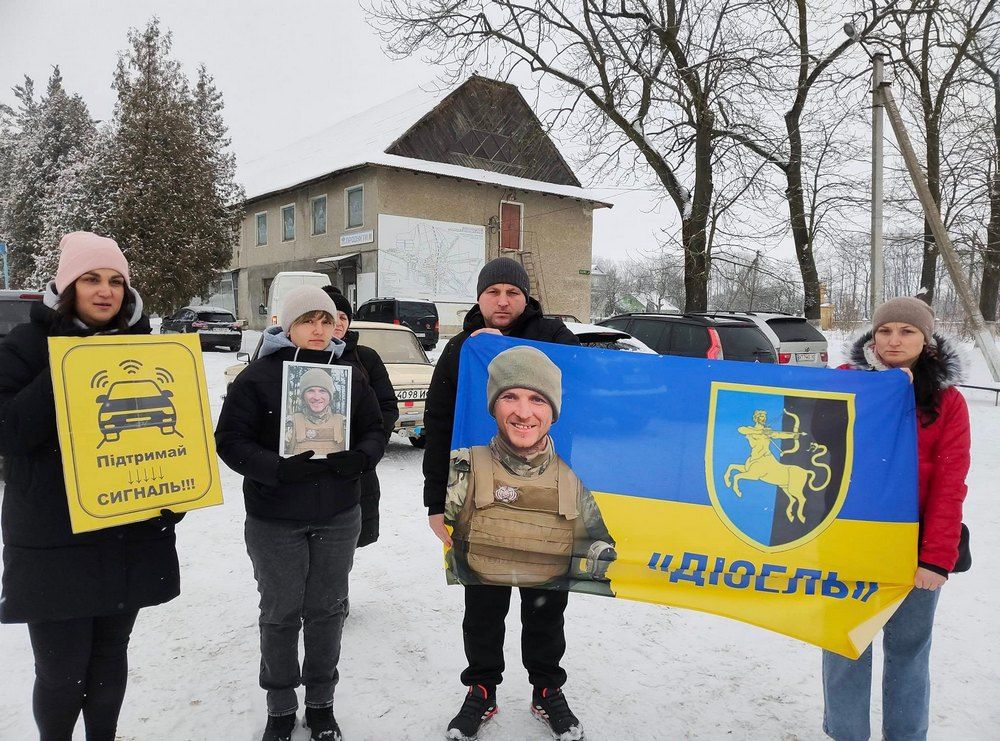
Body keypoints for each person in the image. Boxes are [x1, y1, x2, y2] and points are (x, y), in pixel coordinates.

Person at [0, 231, 182, 741]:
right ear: (66, 286)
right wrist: (70, 365)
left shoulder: (147, 350)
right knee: (60, 674)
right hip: (53, 542)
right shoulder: (27, 346)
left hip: (125, 533)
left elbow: (175, 436)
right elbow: (9, 431)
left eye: (117, 281)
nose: (106, 291)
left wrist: (174, 495)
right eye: (91, 279)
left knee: (108, 663)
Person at [422, 257, 585, 741]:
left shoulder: (555, 336)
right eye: (492, 292)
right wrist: (436, 502)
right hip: (481, 498)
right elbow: (438, 425)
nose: (502, 301)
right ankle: (481, 689)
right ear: (478, 298)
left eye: (511, 293)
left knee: (546, 601)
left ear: (525, 297)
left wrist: (510, 348)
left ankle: (546, 688)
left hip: (549, 496)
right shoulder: (460, 350)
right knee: (484, 602)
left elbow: (585, 390)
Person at [215, 286, 387, 741]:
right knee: (280, 612)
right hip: (275, 517)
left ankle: (321, 703)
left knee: (327, 610)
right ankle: (279, 705)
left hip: (337, 512)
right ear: (287, 325)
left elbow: (375, 428)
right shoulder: (258, 376)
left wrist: (361, 458)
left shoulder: (350, 372)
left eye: (326, 321)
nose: (318, 329)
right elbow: (229, 441)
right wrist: (273, 468)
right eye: (308, 320)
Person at [822, 296, 970, 741]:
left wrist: (937, 558)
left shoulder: (947, 402)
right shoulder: (843, 385)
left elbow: (950, 484)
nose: (894, 340)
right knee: (845, 647)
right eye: (885, 330)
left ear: (926, 341)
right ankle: (847, 734)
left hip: (914, 550)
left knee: (908, 653)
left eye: (907, 332)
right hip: (848, 543)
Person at [445, 345, 616, 594]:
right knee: (482, 627)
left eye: (538, 399)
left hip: (548, 599)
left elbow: (603, 546)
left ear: (553, 412)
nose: (523, 413)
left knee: (545, 632)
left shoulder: (575, 481)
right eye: (509, 397)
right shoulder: (462, 469)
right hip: (481, 589)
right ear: (493, 406)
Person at [322, 285, 398, 547]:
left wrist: (372, 445)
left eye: (343, 317)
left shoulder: (366, 358)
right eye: (331, 316)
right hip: (310, 464)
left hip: (356, 466)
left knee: (346, 543)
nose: (338, 323)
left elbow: (387, 406)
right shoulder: (300, 358)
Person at [284, 367, 346, 456]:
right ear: (303, 396)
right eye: (310, 391)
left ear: (330, 396)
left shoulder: (344, 423)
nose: (317, 397)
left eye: (322, 391)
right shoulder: (290, 423)